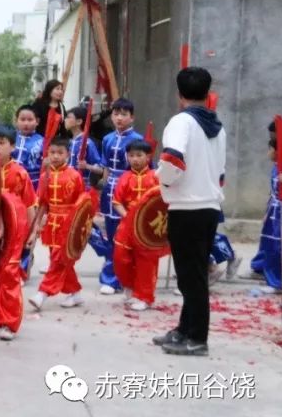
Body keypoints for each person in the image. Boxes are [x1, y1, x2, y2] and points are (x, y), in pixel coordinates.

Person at [153, 67, 226, 357]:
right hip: (209, 205)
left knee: (191, 277)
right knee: (191, 274)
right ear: (207, 94)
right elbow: (221, 172)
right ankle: (185, 329)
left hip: (187, 207)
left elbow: (173, 160)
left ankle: (197, 337)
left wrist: (163, 180)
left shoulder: (181, 122)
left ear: (179, 94)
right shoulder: (217, 126)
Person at [0, 125, 36, 341]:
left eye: (1, 143)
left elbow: (30, 206)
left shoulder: (19, 173)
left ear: (12, 146)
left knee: (9, 275)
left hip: (14, 233)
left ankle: (9, 322)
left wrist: (32, 233)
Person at [27, 138, 89, 311]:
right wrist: (38, 224)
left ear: (68, 154)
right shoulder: (44, 176)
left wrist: (79, 227)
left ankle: (43, 293)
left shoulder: (74, 176)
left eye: (60, 153)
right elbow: (43, 204)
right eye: (52, 152)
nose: (55, 156)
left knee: (58, 260)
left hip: (69, 224)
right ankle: (75, 293)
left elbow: (82, 203)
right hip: (52, 223)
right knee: (61, 260)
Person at [94, 98, 144, 294]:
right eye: (116, 114)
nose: (119, 118)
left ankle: (125, 275)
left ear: (132, 117)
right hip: (110, 188)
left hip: (129, 187)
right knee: (112, 233)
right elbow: (105, 168)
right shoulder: (107, 139)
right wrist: (103, 190)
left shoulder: (137, 140)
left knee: (127, 235)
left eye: (124, 114)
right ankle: (112, 277)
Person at [111, 141, 161, 311]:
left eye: (139, 155)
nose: (135, 159)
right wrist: (129, 217)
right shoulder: (125, 178)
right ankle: (131, 287)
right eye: (131, 155)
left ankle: (145, 297)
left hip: (149, 226)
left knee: (146, 262)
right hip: (128, 224)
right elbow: (117, 202)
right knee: (120, 257)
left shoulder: (156, 177)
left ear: (148, 157)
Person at [252, 130, 282, 292]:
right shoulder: (277, 167)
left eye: (270, 149)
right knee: (272, 248)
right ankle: (277, 283)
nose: (268, 153)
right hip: (275, 213)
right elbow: (273, 192)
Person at [12, 105, 44, 189]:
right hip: (11, 181)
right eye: (22, 120)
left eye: (30, 120)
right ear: (16, 121)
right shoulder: (10, 138)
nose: (26, 123)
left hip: (33, 183)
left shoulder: (42, 141)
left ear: (37, 121)